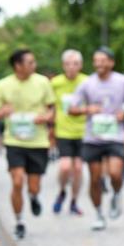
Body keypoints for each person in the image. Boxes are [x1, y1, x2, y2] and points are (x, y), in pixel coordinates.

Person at [0, 49, 56, 240]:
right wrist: (3, 112)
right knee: (17, 181)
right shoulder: (3, 85)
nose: (34, 66)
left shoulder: (42, 82)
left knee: (33, 186)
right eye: (30, 63)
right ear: (18, 65)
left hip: (38, 141)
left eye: (34, 62)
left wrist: (46, 117)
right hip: (14, 140)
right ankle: (19, 221)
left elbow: (52, 110)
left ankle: (33, 197)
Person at [68, 47, 124, 231]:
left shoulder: (123, 82)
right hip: (93, 137)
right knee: (95, 178)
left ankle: (116, 194)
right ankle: (98, 213)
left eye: (102, 60)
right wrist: (86, 110)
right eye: (96, 60)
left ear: (111, 63)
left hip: (115, 135)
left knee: (115, 173)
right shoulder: (87, 84)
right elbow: (71, 108)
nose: (98, 64)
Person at [50, 49, 88, 215]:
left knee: (78, 168)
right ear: (63, 65)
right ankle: (61, 192)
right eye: (68, 64)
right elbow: (49, 105)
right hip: (63, 130)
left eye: (75, 64)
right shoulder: (55, 83)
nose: (71, 67)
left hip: (83, 131)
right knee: (65, 167)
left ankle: (74, 201)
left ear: (81, 65)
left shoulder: (87, 82)